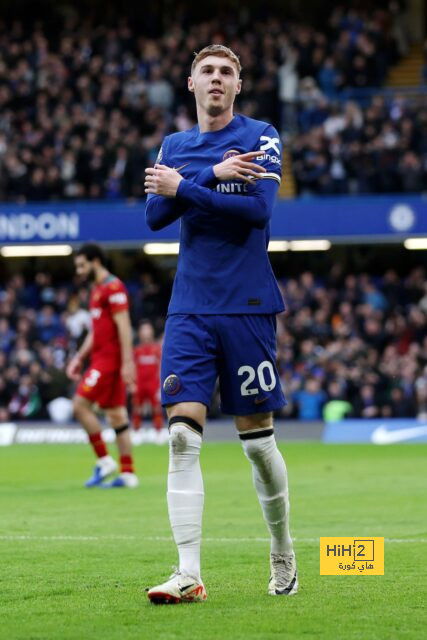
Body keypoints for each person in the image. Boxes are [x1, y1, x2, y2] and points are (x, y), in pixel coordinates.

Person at [144, 44, 297, 603]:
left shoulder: (262, 136)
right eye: (207, 71)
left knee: (257, 443)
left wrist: (186, 187)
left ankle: (282, 550)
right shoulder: (176, 146)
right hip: (190, 307)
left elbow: (257, 212)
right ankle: (188, 572)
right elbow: (155, 216)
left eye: (226, 72)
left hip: (248, 305)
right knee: (182, 437)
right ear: (190, 83)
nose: (216, 79)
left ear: (238, 86)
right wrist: (207, 175)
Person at [66, 243, 138, 488]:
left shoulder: (113, 287)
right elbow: (96, 332)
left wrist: (128, 362)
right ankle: (128, 473)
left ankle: (104, 460)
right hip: (100, 360)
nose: (79, 270)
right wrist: (79, 358)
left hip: (108, 362)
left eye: (82, 264)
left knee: (79, 405)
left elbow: (124, 326)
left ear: (95, 261)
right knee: (117, 416)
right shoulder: (97, 290)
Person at [132, 320, 165, 441]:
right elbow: (132, 367)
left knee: (156, 408)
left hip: (153, 383)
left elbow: (161, 367)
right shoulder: (136, 350)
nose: (146, 332)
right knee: (137, 407)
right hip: (140, 383)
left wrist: (161, 386)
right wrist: (132, 383)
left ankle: (159, 432)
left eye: (148, 329)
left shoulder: (157, 349)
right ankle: (136, 432)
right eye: (143, 329)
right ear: (140, 333)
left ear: (151, 332)